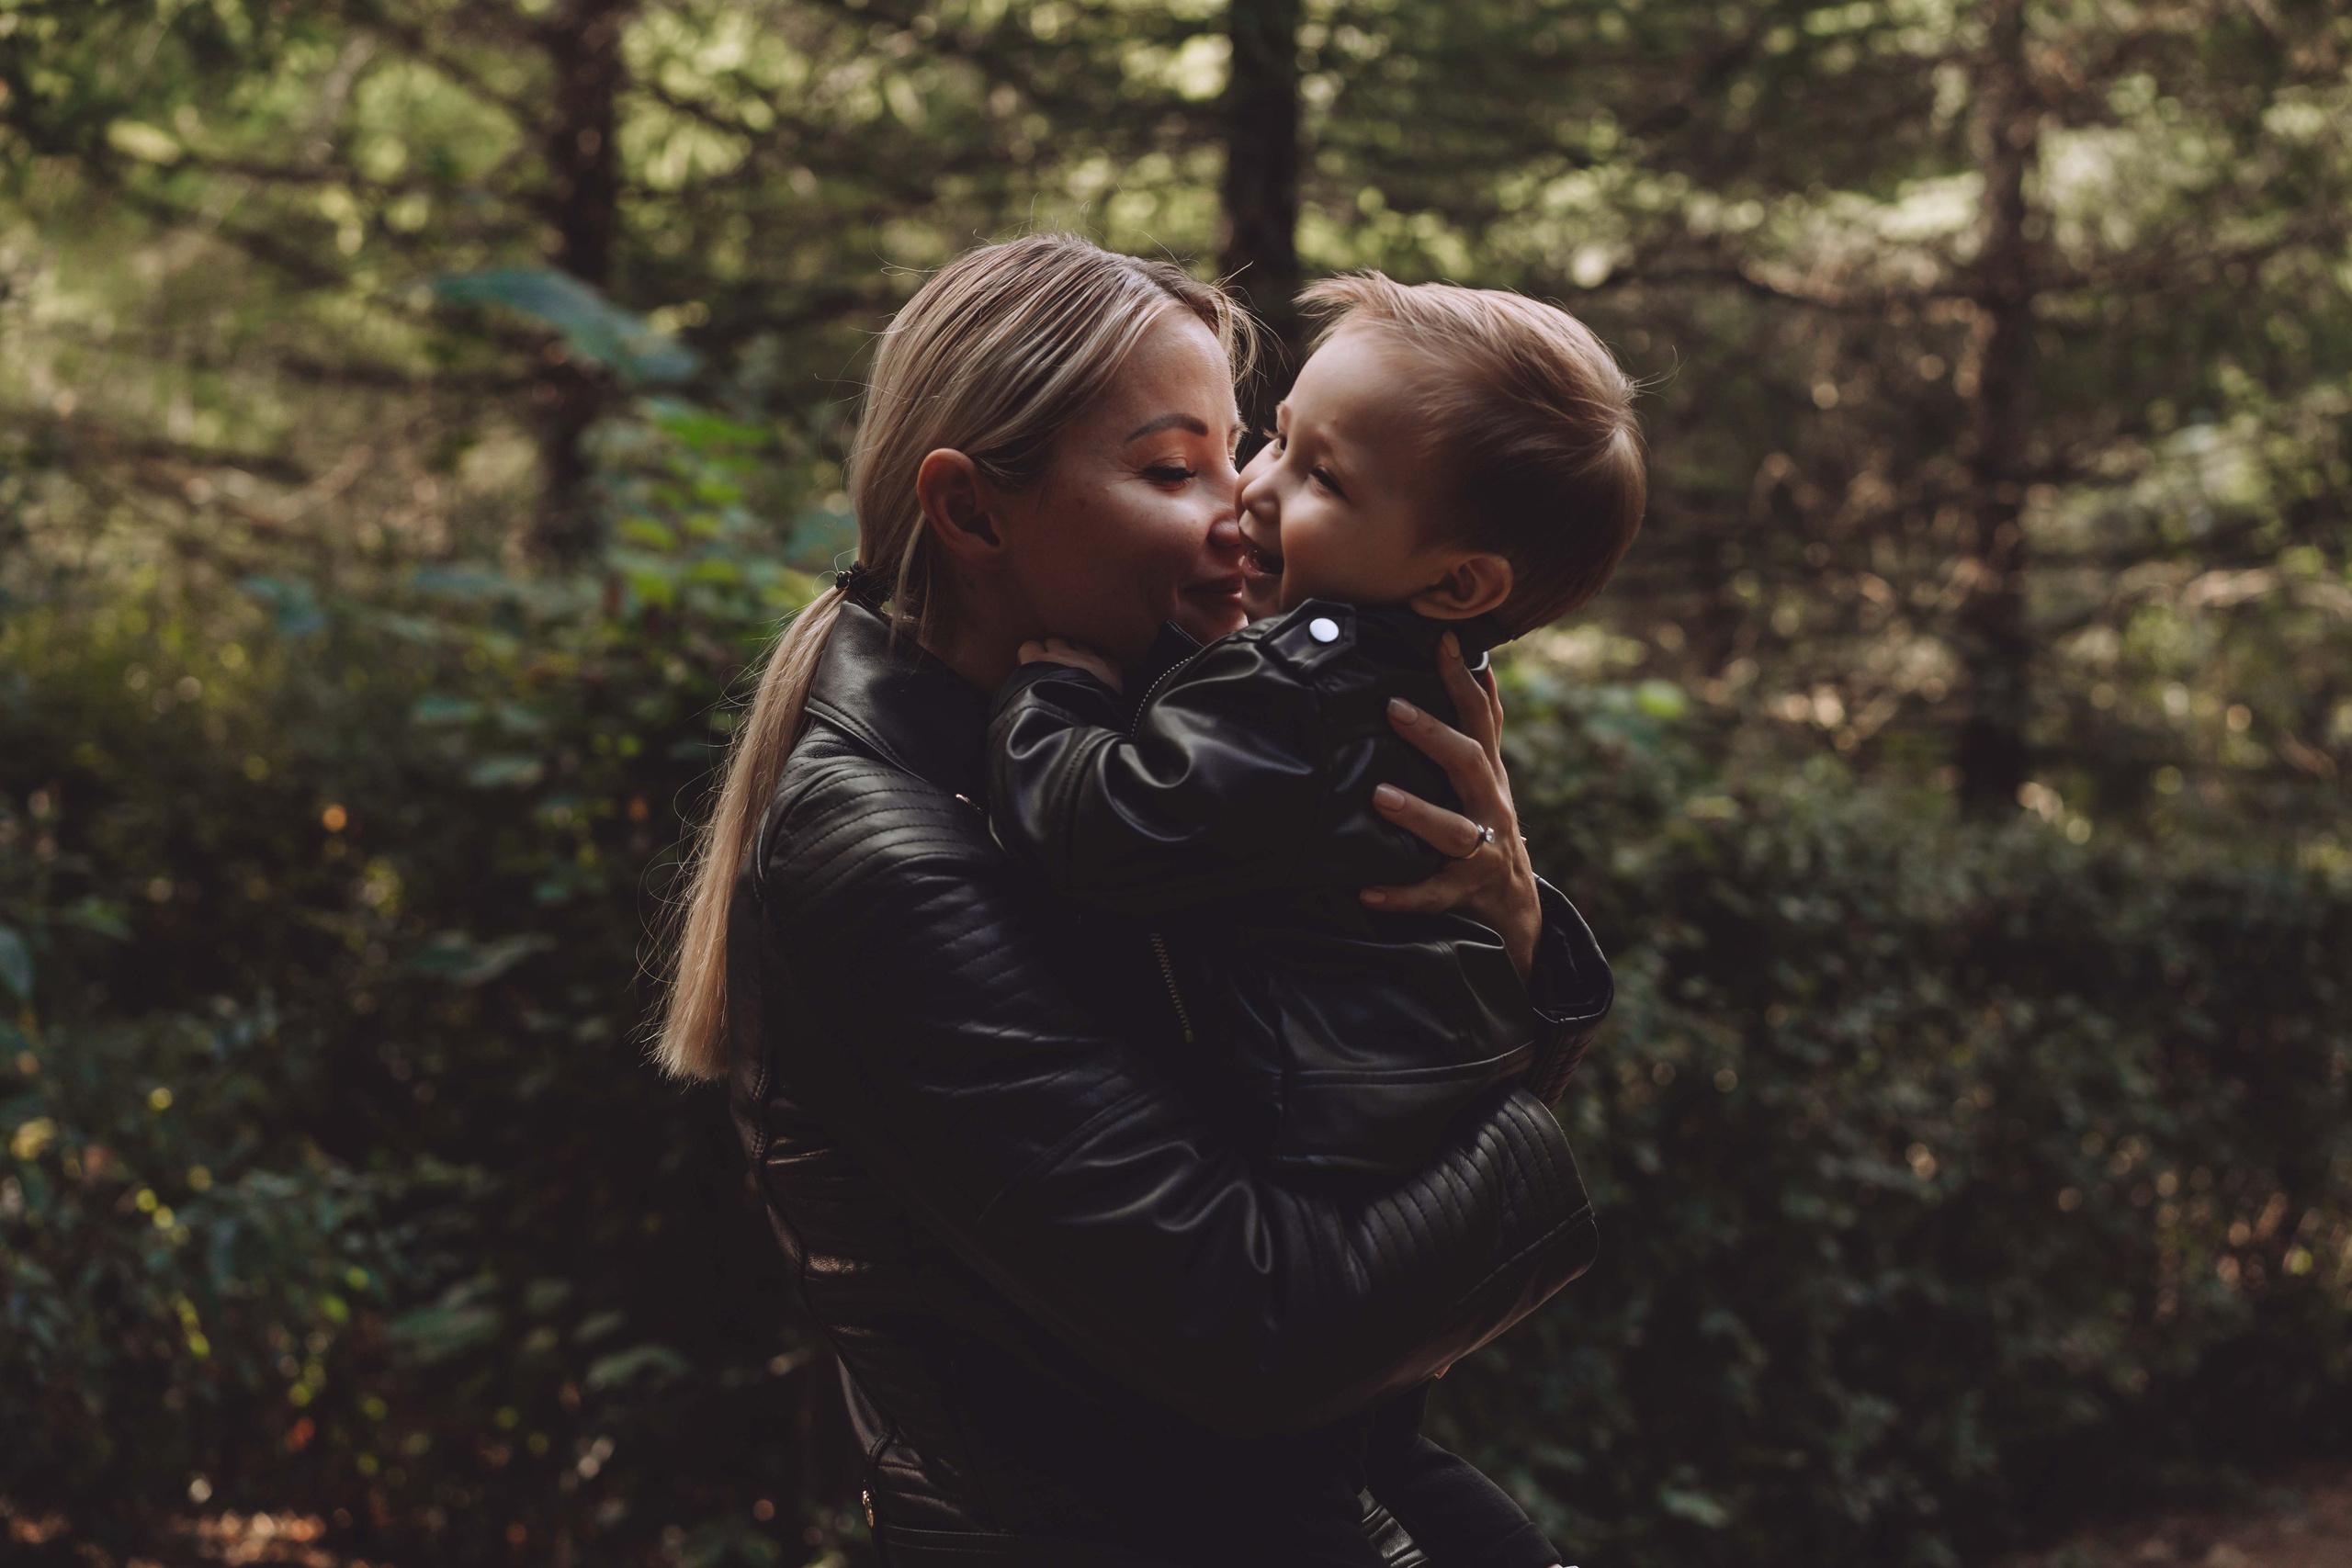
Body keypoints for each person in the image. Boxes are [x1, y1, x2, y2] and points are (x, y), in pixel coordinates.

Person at [657, 233, 1611, 1565]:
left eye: (1241, 449)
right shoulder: (889, 853)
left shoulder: (1134, 755)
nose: (1245, 506)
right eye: (1176, 469)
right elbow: (1259, 1326)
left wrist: (1498, 924)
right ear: (975, 513)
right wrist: (1534, 1162)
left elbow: (1354, 1106)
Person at [986, 272, 1643, 1565]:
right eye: (1274, 436)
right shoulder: (1409, 671)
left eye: (1323, 478)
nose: (1256, 486)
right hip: (1414, 1117)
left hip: (1323, 1137)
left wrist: (1052, 706)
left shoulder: (1303, 677)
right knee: (1382, 1451)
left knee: (1286, 1482)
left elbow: (1111, 829)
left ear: (1459, 583)